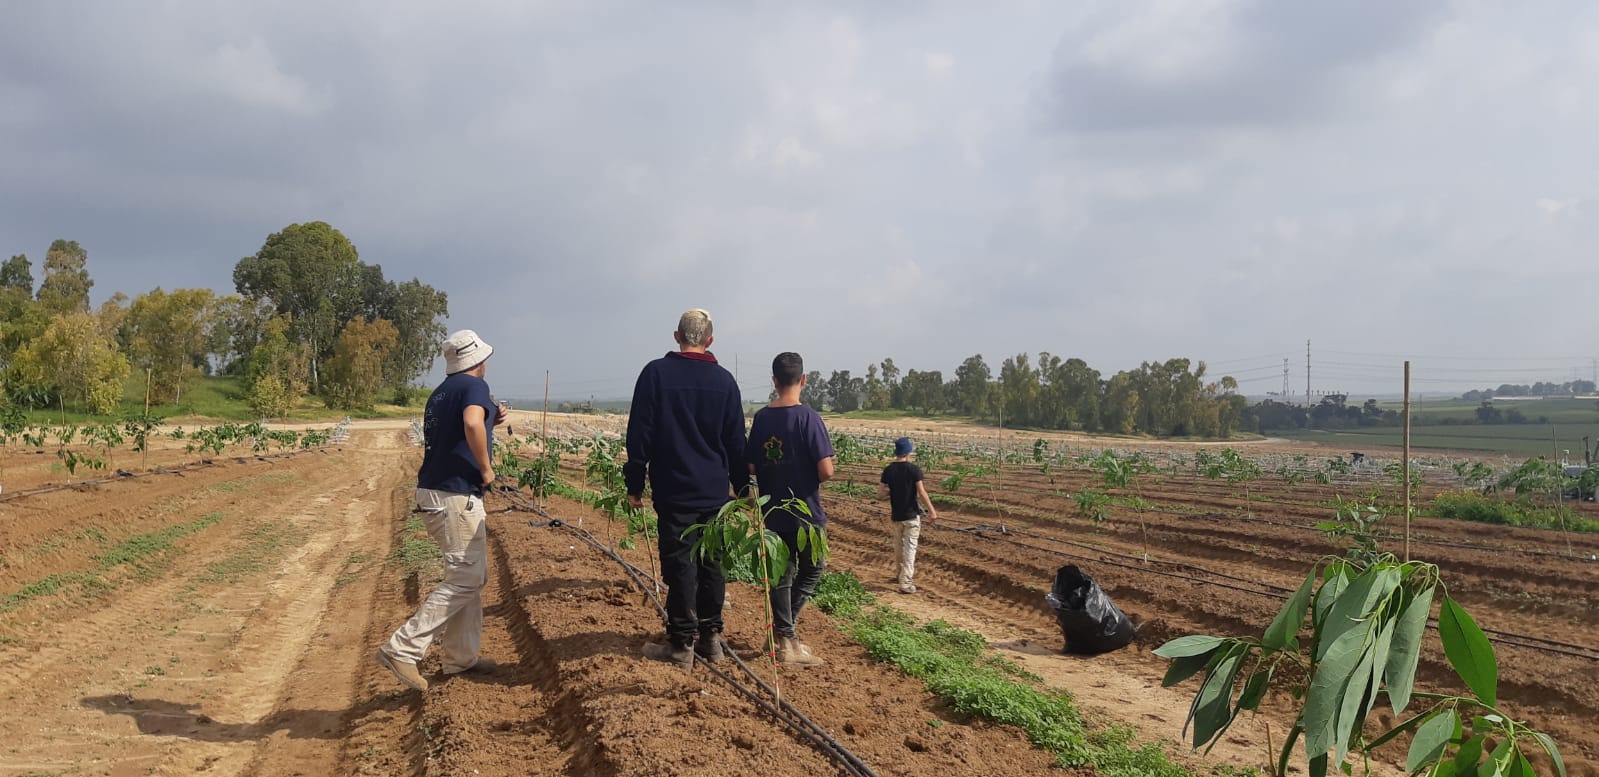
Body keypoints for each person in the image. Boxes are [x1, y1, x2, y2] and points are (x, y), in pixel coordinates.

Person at [376, 329, 507, 692]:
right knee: (466, 578)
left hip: (433, 493)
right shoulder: (475, 387)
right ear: (479, 361)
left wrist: (489, 421)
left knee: (469, 577)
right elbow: (469, 423)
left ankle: (460, 659)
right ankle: (401, 648)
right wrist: (486, 469)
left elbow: (465, 425)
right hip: (455, 496)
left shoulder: (441, 393)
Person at [624, 309, 748, 669]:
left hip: (673, 489)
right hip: (713, 493)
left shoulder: (655, 375)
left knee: (680, 564)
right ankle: (711, 640)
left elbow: (639, 435)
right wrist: (742, 489)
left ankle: (681, 644)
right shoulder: (725, 382)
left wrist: (635, 484)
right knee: (712, 564)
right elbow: (736, 442)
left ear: (676, 336)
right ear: (710, 340)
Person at [746, 352, 834, 666]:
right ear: (804, 380)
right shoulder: (808, 417)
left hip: (772, 512)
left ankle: (784, 636)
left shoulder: (762, 418)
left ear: (774, 381)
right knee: (812, 569)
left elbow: (752, 465)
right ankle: (786, 637)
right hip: (806, 513)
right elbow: (826, 470)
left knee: (781, 575)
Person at [878, 437, 937, 594]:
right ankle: (905, 583)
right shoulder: (913, 470)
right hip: (911, 516)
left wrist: (892, 490)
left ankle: (899, 574)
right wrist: (932, 511)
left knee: (898, 547)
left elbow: (880, 493)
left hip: (896, 515)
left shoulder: (888, 470)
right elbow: (922, 492)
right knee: (910, 549)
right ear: (908, 452)